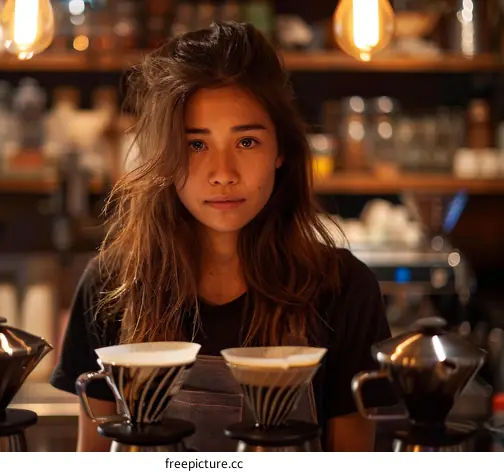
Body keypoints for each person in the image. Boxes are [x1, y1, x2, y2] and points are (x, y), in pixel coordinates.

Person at [50, 21, 393, 452]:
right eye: (196, 145)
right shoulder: (112, 286)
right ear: (165, 156)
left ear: (281, 151)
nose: (223, 175)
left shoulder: (345, 291)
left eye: (246, 142)